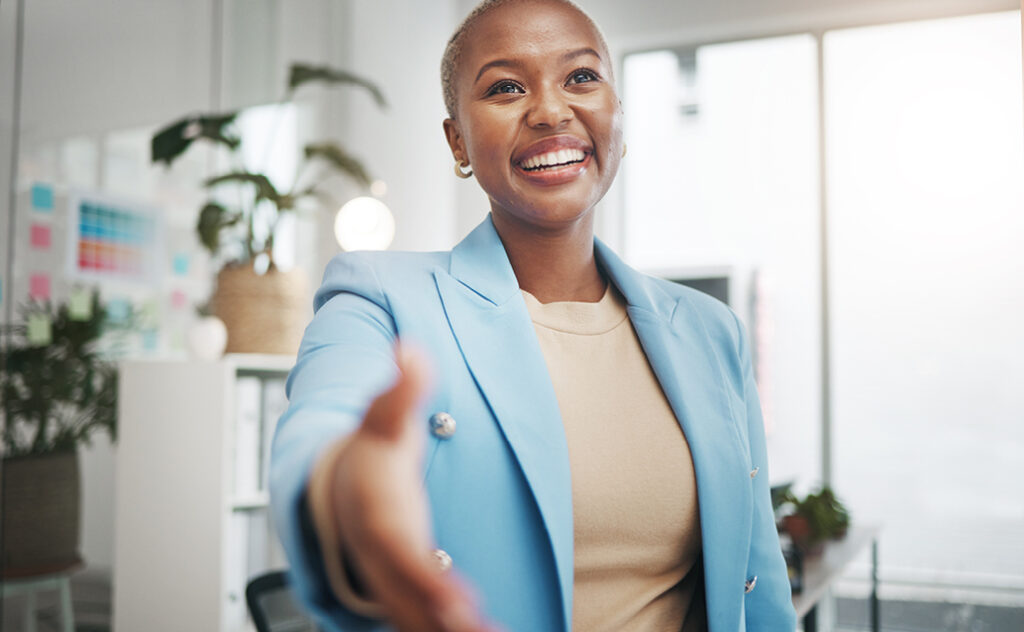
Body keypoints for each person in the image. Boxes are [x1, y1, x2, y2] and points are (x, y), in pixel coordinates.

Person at [270, 0, 797, 630]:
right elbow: (323, 429)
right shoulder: (379, 295)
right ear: (458, 139)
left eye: (581, 77)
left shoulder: (713, 332)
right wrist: (341, 495)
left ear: (618, 116)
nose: (550, 111)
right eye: (505, 87)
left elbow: (758, 588)